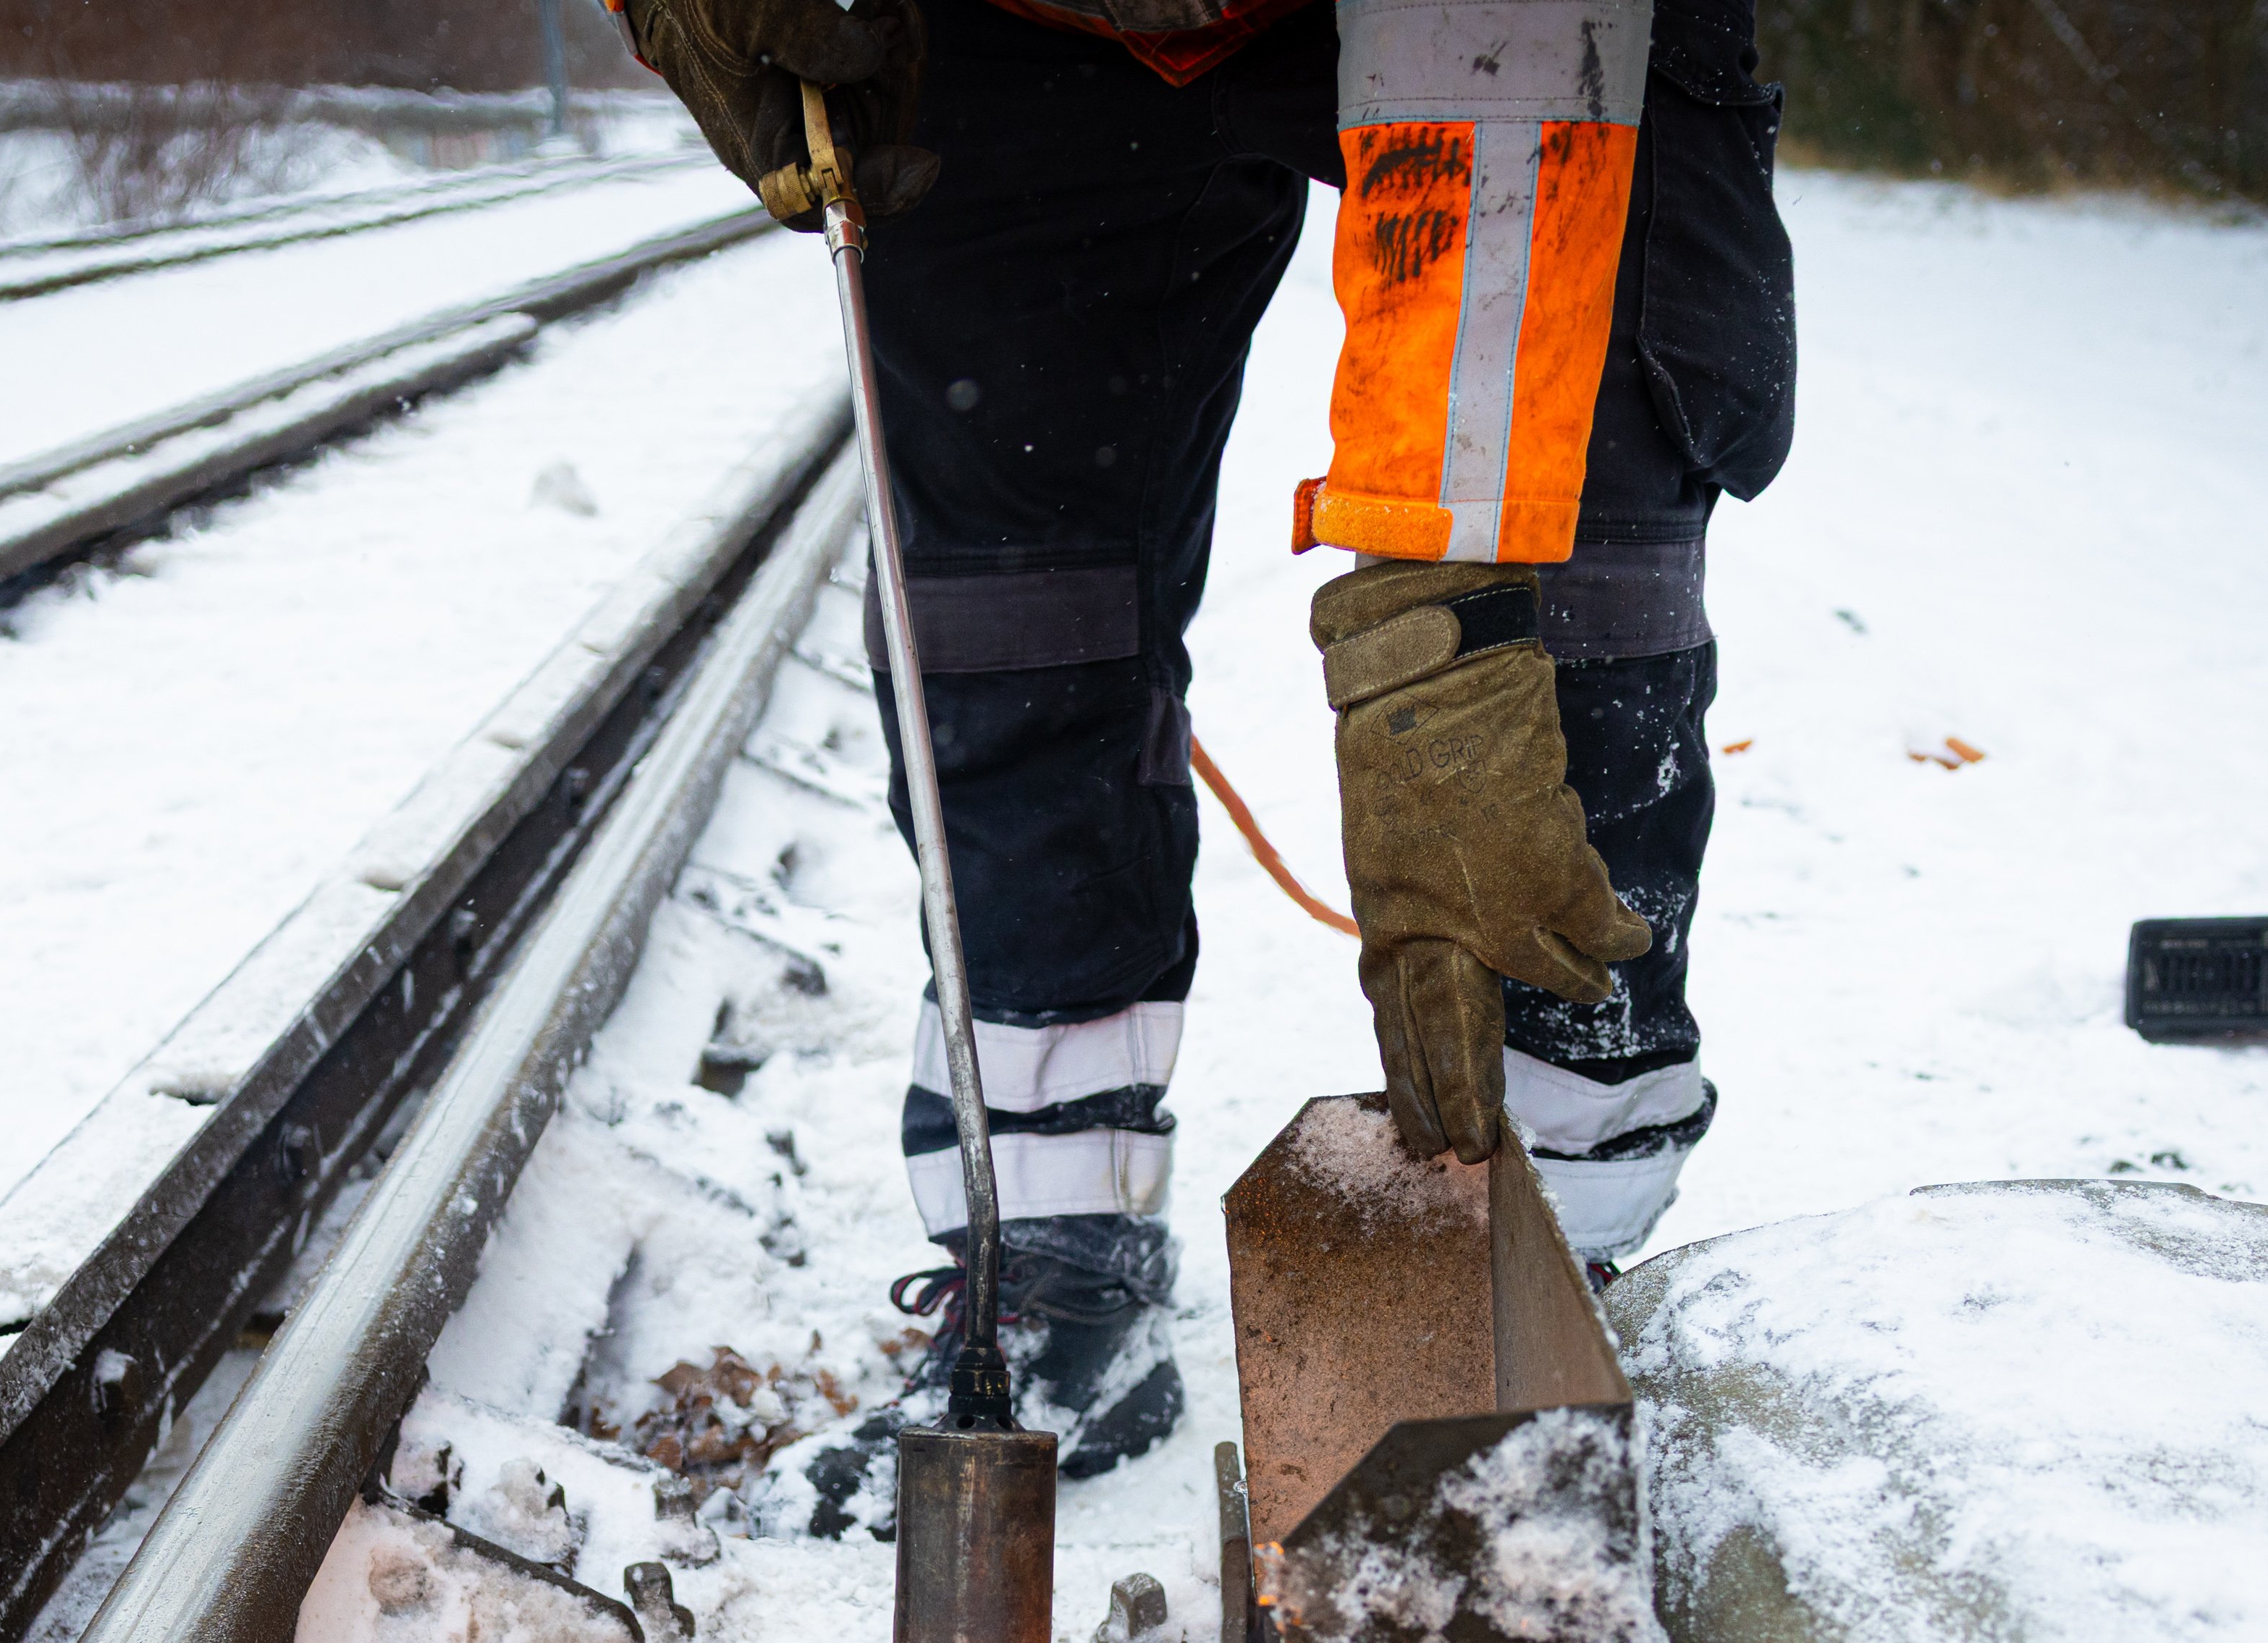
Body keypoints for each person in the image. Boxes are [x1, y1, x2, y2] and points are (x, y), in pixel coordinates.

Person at [610, 0, 1797, 1521]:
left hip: (1514, 21)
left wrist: (1457, 594)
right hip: (1021, 24)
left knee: (1557, 588)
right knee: (1008, 608)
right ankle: (1051, 1257)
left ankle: (1557, 1261)